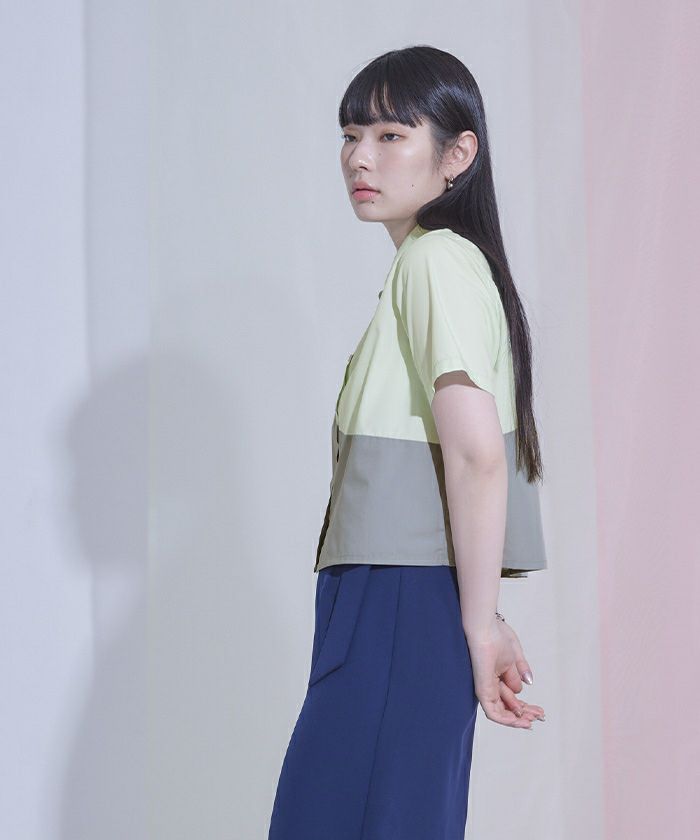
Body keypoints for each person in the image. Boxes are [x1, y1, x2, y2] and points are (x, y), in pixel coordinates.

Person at [268, 44, 548, 840]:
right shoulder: (440, 265)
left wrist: (480, 624)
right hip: (399, 599)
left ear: (458, 154)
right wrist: (480, 616)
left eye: (392, 135)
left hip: (395, 600)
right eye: (351, 134)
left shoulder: (435, 263)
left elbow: (476, 455)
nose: (360, 156)